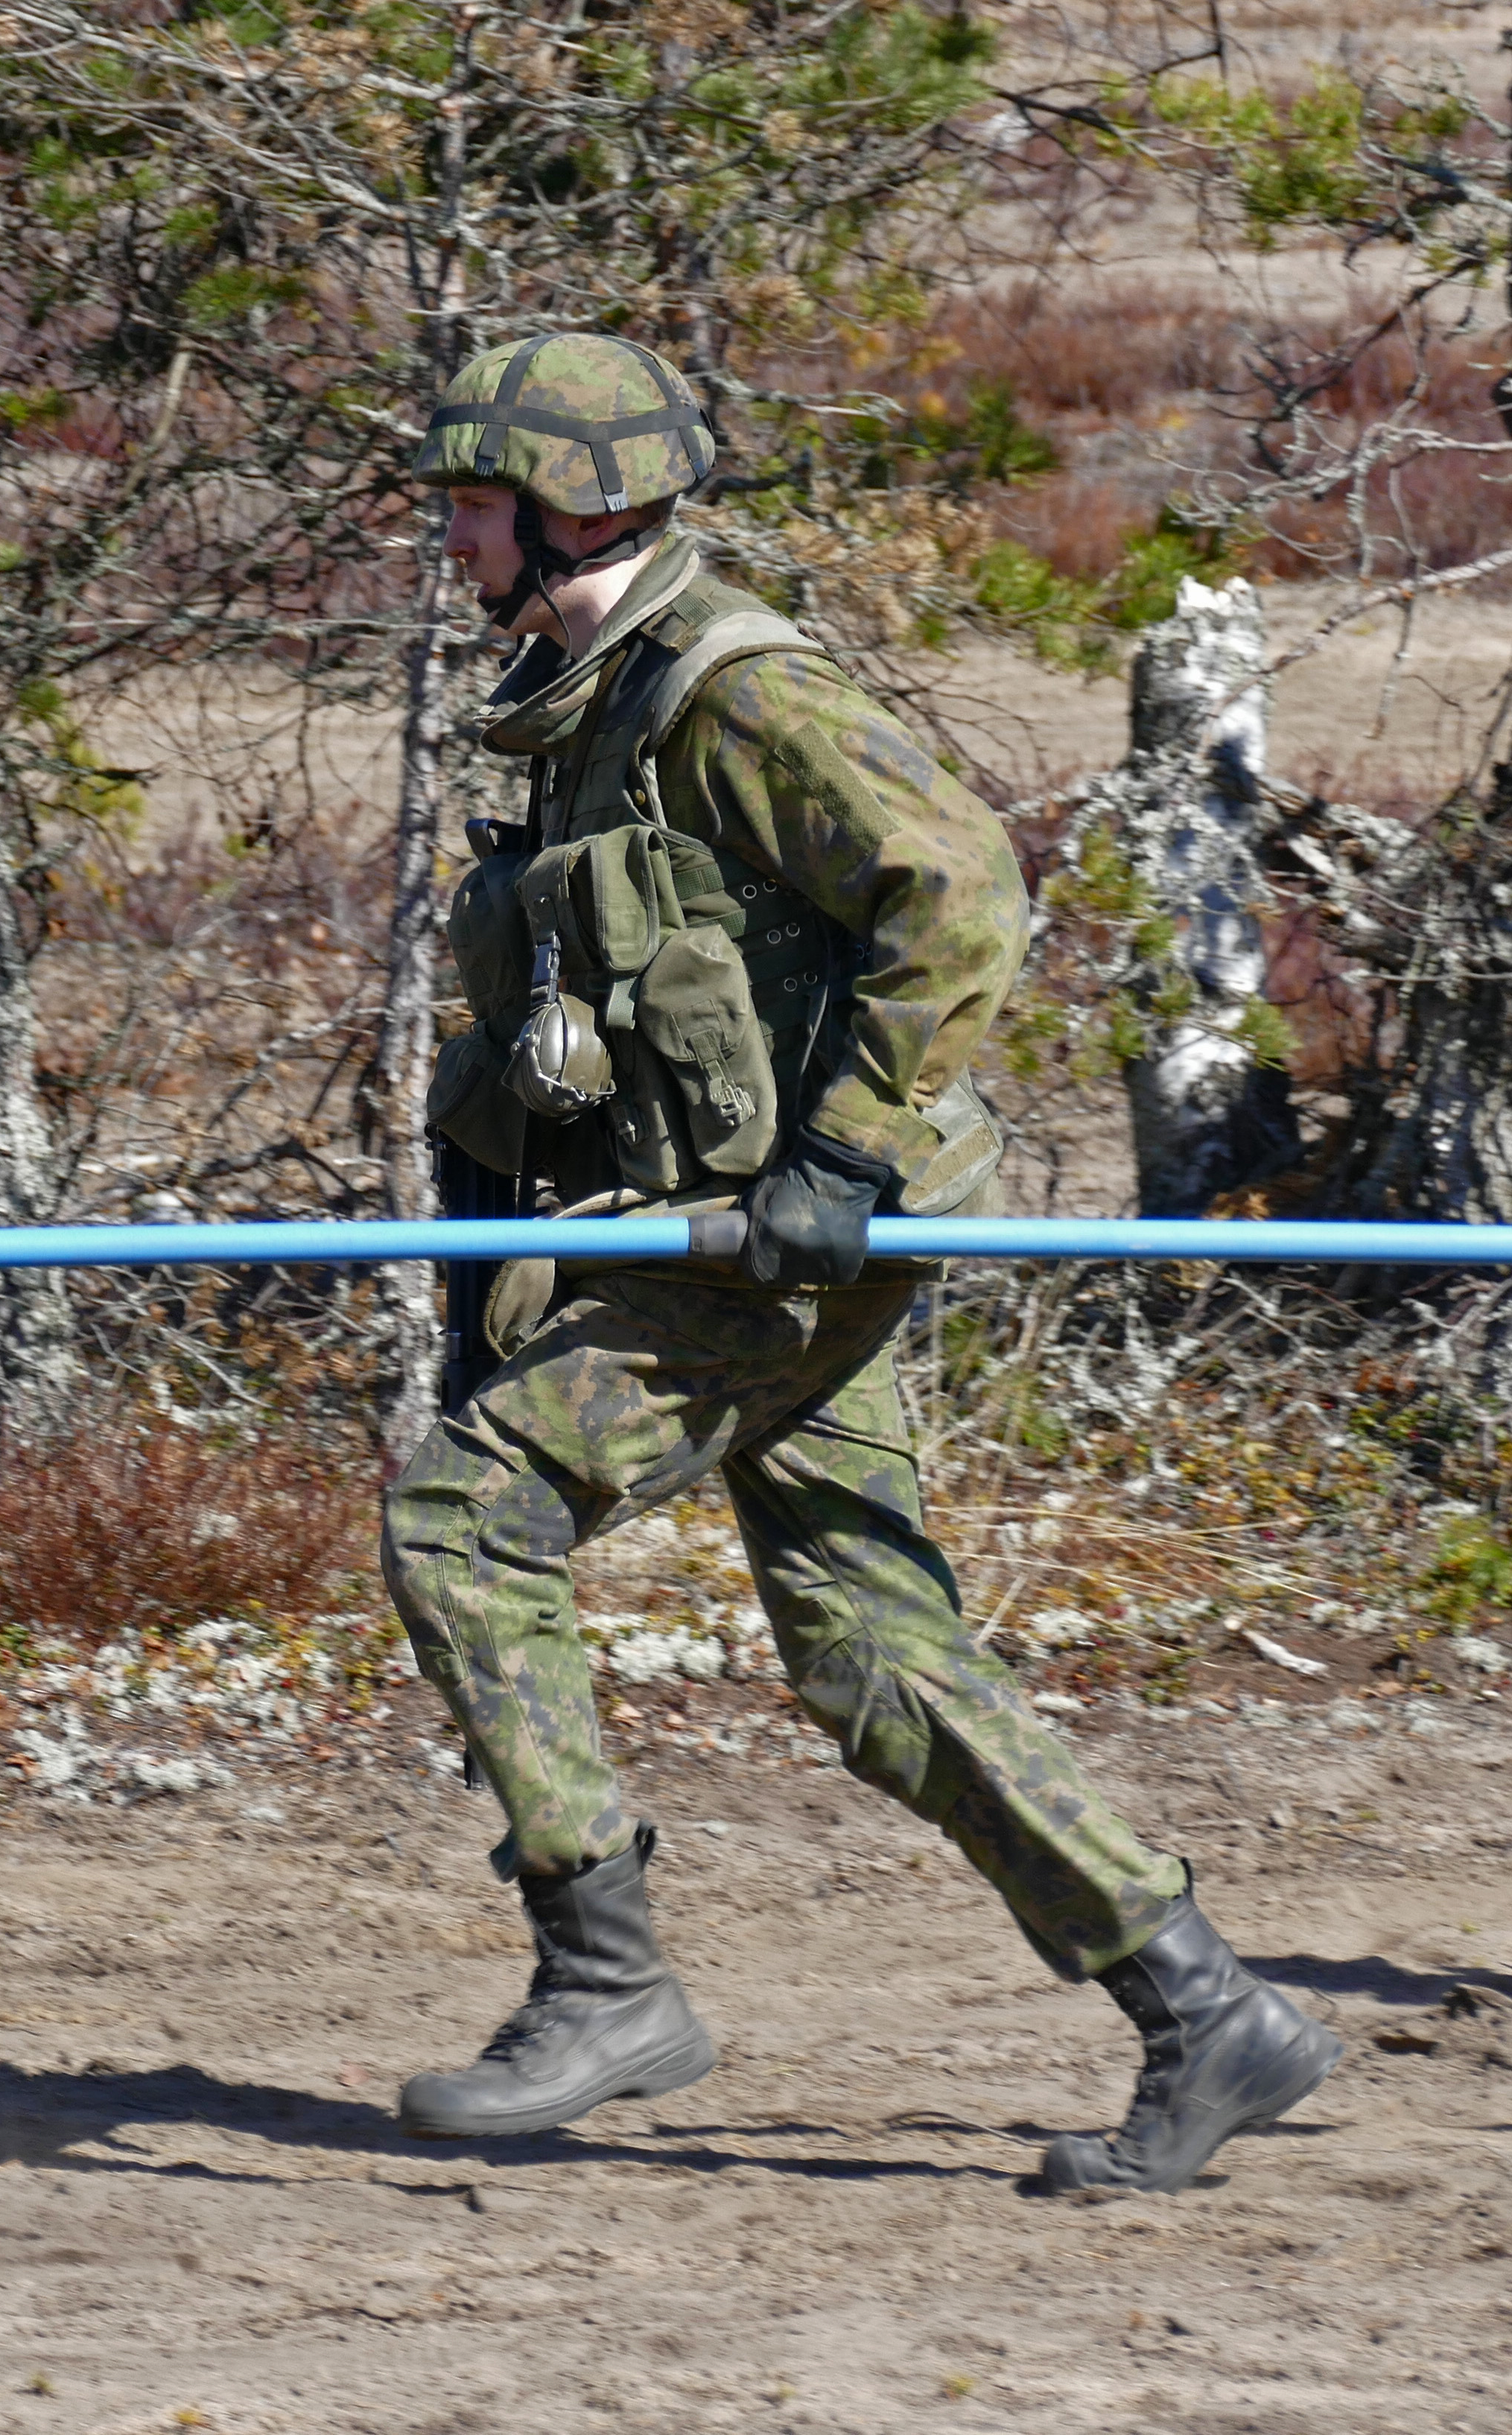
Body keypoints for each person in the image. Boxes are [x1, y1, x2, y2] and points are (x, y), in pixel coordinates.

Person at [387, 332, 1336, 2194]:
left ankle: (604, 1974)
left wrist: (843, 1155)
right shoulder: (588, 692)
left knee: (460, 1519)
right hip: (735, 1229)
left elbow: (960, 884)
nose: (447, 531)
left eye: (471, 499)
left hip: (786, 1243)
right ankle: (1207, 2007)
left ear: (566, 507)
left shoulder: (731, 697)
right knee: (872, 1654)